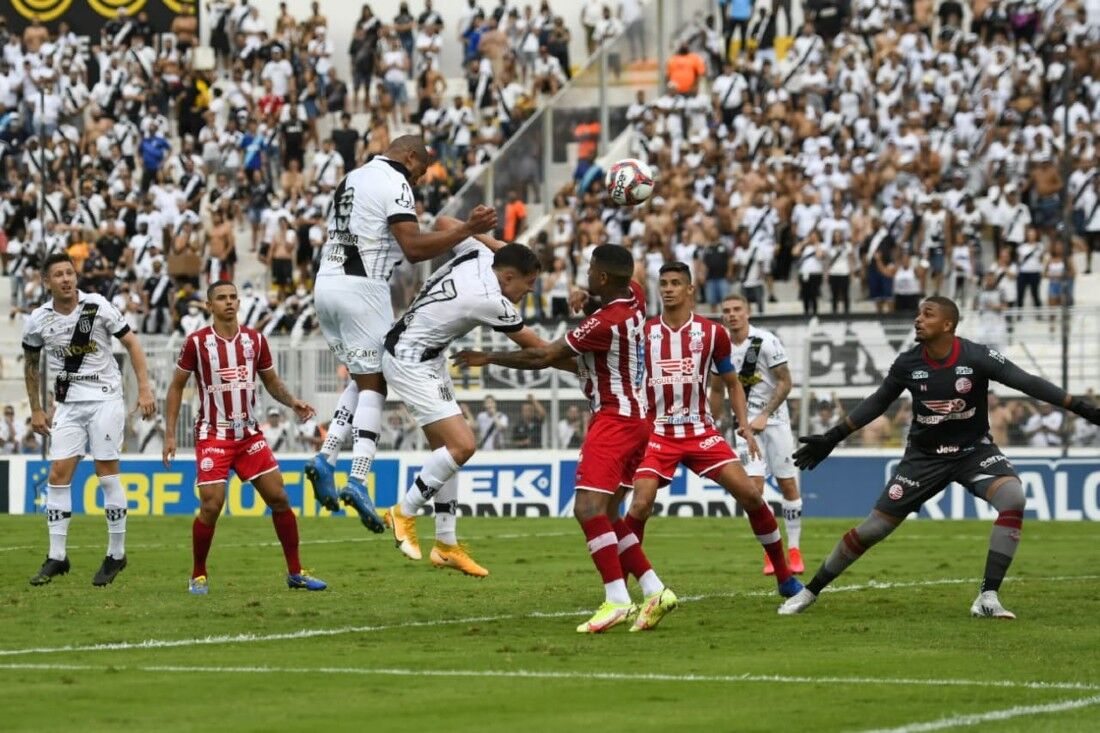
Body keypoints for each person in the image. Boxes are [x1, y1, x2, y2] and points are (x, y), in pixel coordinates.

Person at [780, 296, 1100, 618]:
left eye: (927, 314)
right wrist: (832, 437)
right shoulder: (908, 363)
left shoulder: (976, 356)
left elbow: (1027, 382)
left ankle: (988, 597)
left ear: (948, 325)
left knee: (1013, 497)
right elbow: (878, 401)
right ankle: (810, 591)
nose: (918, 319)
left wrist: (1083, 408)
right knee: (873, 529)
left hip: (974, 451)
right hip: (924, 458)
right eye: (918, 313)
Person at [457, 245, 674, 634]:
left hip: (615, 420)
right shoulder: (636, 298)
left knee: (587, 509)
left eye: (591, 271)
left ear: (604, 278)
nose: (586, 274)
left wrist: (487, 358)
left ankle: (617, 600)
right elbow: (626, 284)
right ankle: (655, 591)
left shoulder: (604, 323)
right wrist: (589, 297)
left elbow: (543, 357)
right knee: (607, 513)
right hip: (639, 417)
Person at [305, 135, 496, 533]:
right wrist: (467, 229)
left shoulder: (353, 177)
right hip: (363, 288)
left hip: (326, 285)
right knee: (377, 384)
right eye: (421, 171)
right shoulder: (395, 182)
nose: (420, 180)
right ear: (410, 157)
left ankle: (326, 456)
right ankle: (357, 479)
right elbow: (413, 248)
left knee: (362, 378)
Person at [628, 263, 804, 602]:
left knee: (752, 496)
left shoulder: (711, 333)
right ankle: (620, 588)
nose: (668, 289)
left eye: (676, 283)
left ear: (690, 289)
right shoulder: (645, 332)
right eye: (663, 283)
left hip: (700, 432)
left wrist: (745, 427)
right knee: (639, 506)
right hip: (658, 433)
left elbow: (732, 383)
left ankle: (784, 577)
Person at [381, 226, 545, 577]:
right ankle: (403, 512)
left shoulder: (482, 253)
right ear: (509, 276)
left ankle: (445, 545)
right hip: (409, 358)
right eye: (526, 284)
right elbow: (538, 349)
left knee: (447, 455)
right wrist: (578, 359)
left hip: (427, 355)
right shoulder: (491, 300)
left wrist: (488, 238)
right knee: (462, 445)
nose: (528, 292)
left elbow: (444, 224)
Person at [164, 280, 327, 595]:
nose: (228, 302)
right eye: (221, 298)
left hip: (249, 434)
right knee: (212, 505)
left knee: (279, 498)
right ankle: (198, 574)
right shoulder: (196, 343)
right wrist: (170, 434)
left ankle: (295, 572)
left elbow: (270, 380)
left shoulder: (255, 340)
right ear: (210, 306)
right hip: (214, 433)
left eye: (233, 297)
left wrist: (292, 402)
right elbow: (176, 386)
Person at [23, 252, 156, 586]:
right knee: (57, 474)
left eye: (70, 273)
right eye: (58, 275)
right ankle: (57, 557)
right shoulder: (38, 319)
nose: (66, 279)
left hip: (104, 400)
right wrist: (36, 408)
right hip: (67, 404)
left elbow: (132, 343)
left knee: (106, 473)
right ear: (46, 281)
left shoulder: (97, 305)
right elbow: (30, 364)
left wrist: (144, 389)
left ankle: (116, 553)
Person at [717, 293, 805, 574]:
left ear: (748, 312)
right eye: (727, 311)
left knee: (788, 485)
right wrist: (712, 422)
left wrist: (765, 414)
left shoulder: (765, 341)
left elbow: (785, 381)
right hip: (743, 427)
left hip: (776, 422)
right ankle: (772, 552)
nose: (732, 315)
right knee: (754, 490)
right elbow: (717, 389)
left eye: (737, 309)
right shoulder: (720, 347)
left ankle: (794, 549)